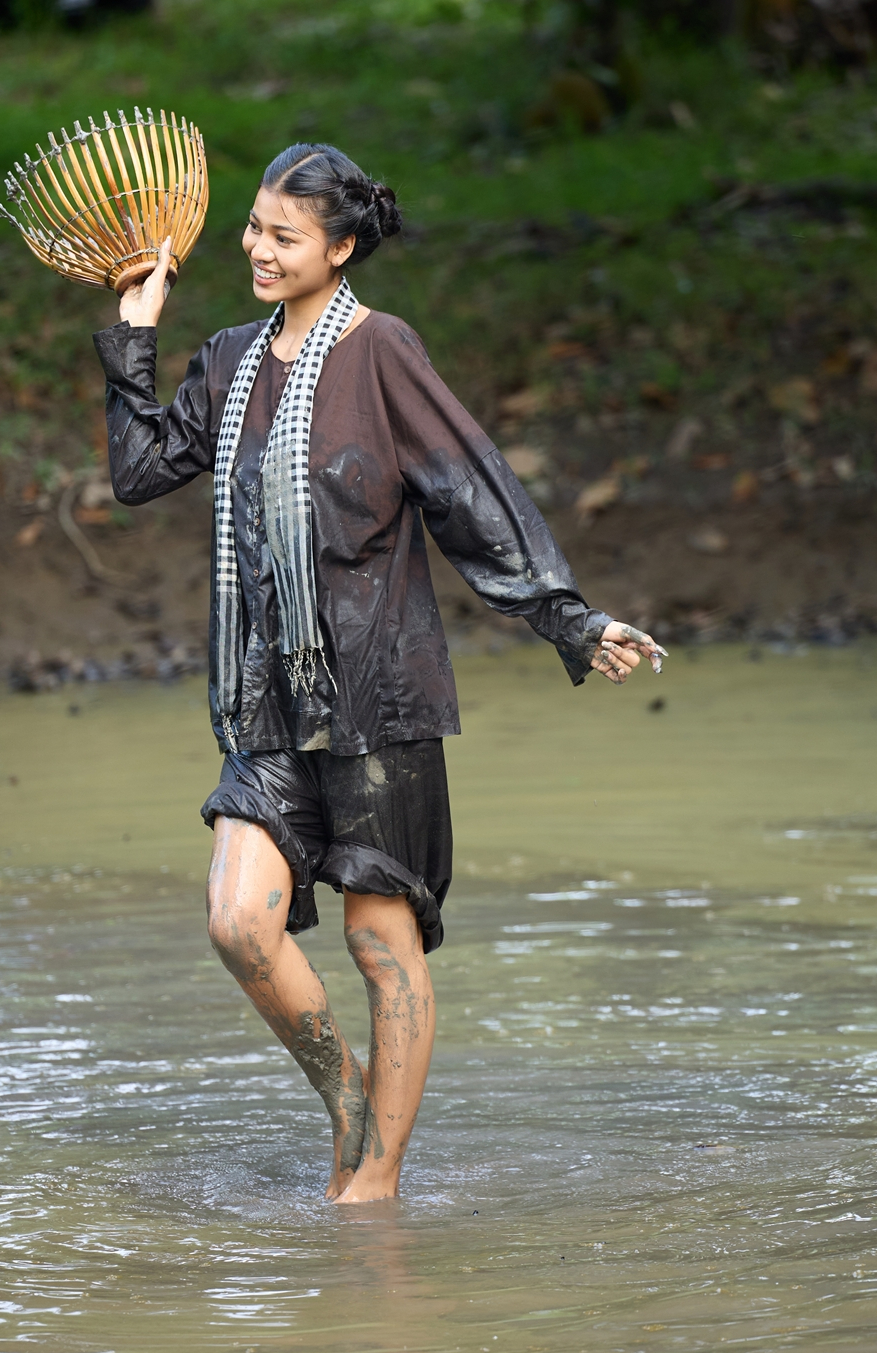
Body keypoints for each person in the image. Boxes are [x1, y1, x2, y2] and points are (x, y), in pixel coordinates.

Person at [93, 143, 665, 1204]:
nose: (258, 249)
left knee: (376, 938)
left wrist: (569, 621)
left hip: (377, 694)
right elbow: (138, 471)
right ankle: (350, 1102)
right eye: (255, 227)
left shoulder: (383, 354)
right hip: (264, 704)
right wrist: (134, 327)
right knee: (238, 921)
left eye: (284, 235)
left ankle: (375, 1189)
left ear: (341, 248)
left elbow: (470, 495)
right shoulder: (227, 360)